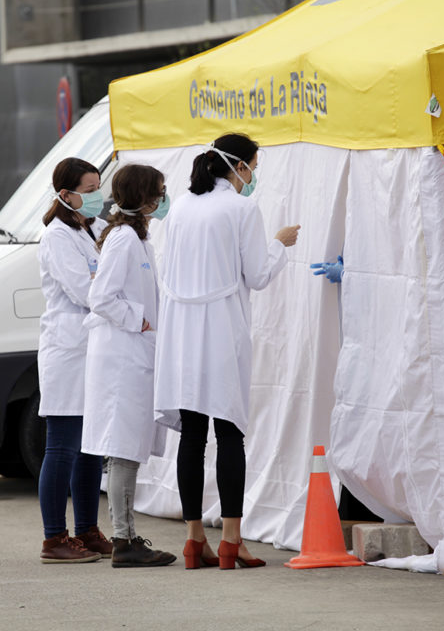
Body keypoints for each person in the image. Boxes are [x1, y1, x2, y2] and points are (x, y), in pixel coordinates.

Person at [154, 133, 300, 569]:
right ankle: (232, 540)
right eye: (254, 165)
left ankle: (194, 538)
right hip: (220, 329)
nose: (254, 175)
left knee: (194, 436)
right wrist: (279, 243)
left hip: (182, 331)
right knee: (230, 431)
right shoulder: (241, 208)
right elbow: (257, 276)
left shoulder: (180, 207)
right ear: (238, 166)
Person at [81, 164, 177, 568]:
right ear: (144, 196)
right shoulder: (122, 239)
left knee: (129, 449)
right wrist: (138, 319)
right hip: (123, 357)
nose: (163, 197)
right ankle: (124, 540)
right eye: (159, 191)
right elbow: (100, 297)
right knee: (123, 451)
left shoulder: (137, 239)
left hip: (132, 356)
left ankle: (127, 535)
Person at [35, 157, 112, 563]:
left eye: (99, 186)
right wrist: (110, 285)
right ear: (66, 195)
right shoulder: (57, 237)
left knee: (90, 448)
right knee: (62, 446)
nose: (97, 195)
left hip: (94, 345)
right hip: (67, 348)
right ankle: (54, 538)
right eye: (89, 188)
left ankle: (87, 530)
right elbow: (86, 290)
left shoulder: (93, 228)